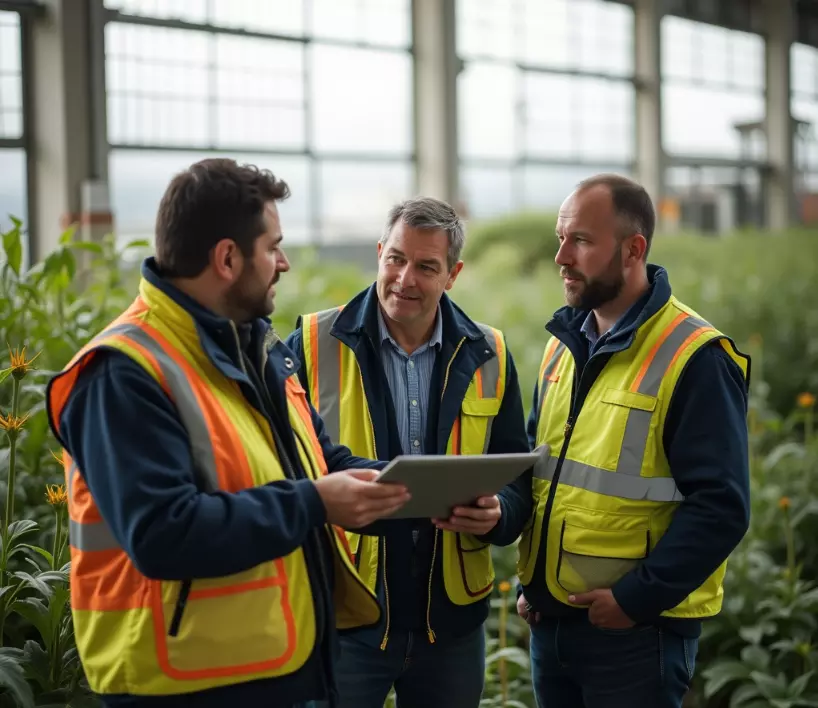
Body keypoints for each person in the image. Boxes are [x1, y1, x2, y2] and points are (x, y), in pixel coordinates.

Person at [44, 158, 412, 708]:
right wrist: (314, 502)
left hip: (275, 669)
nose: (283, 263)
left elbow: (313, 460)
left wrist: (414, 486)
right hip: (182, 686)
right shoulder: (122, 372)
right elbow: (162, 533)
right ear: (227, 258)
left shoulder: (257, 346)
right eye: (274, 247)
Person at [515, 174, 751, 707]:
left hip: (635, 636)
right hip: (552, 623)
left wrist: (635, 599)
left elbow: (722, 507)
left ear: (632, 249)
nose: (561, 256)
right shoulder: (563, 347)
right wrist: (533, 583)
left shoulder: (694, 356)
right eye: (559, 237)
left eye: (580, 240)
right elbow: (543, 472)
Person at [285, 196, 531, 708]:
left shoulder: (490, 354)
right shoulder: (311, 344)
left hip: (451, 627)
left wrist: (498, 514)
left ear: (453, 273)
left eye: (426, 266)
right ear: (379, 252)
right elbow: (289, 464)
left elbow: (516, 476)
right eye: (396, 258)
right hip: (347, 615)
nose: (405, 278)